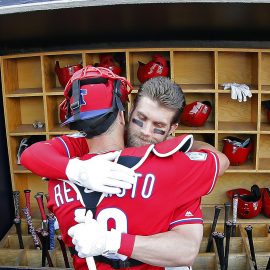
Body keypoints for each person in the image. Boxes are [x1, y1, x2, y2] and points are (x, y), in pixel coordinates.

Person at [21, 66, 229, 270]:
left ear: (173, 128)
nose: (146, 133)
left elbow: (184, 249)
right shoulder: (179, 166)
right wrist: (79, 171)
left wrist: (111, 241)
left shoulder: (177, 163)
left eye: (159, 127)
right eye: (141, 119)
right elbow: (220, 160)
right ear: (126, 113)